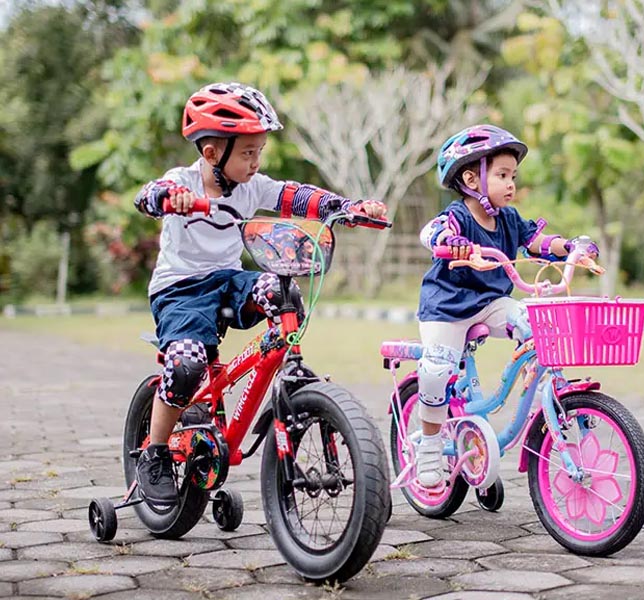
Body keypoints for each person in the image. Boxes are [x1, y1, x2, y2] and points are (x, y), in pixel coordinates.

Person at [133, 82, 386, 509]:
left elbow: (295, 195)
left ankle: (287, 373)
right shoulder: (183, 181)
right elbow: (146, 196)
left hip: (230, 280)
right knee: (187, 364)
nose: (256, 162)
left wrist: (346, 207)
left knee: (281, 291)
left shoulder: (253, 186)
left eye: (260, 151)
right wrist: (167, 199)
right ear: (212, 153)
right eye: (248, 152)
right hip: (181, 291)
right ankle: (155, 451)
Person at [414, 124, 597, 488]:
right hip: (447, 306)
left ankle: (545, 388)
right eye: (501, 175)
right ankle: (430, 447)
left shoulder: (509, 220)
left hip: (492, 302)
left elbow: (538, 241)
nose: (511, 183)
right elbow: (430, 233)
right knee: (436, 369)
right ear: (472, 178)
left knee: (535, 322)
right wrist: (452, 243)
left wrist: (572, 247)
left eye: (513, 175)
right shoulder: (458, 217)